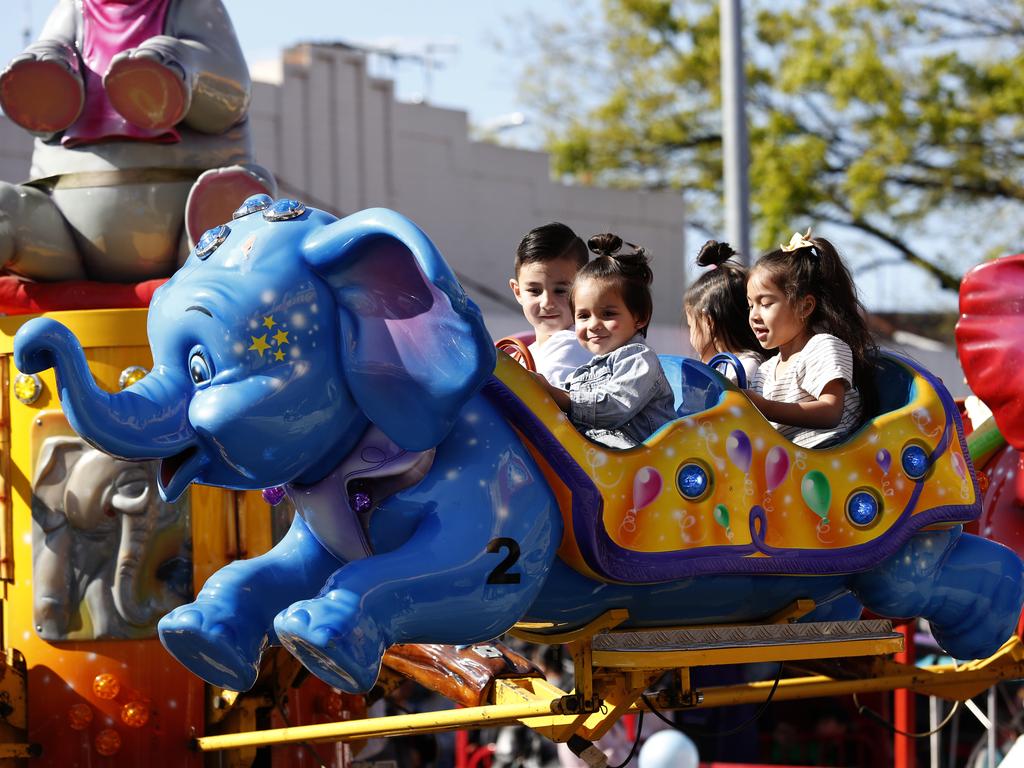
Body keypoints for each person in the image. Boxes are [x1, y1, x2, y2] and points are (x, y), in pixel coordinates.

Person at [533, 234, 677, 449]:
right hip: (604, 463)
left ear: (640, 317)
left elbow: (615, 406)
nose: (593, 325)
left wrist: (557, 395)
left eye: (608, 314)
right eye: (583, 316)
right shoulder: (583, 372)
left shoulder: (639, 359)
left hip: (640, 465)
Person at [745, 229, 878, 448]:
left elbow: (830, 412)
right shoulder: (765, 371)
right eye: (750, 305)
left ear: (804, 306)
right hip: (793, 470)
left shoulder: (822, 347)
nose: (754, 315)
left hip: (833, 464)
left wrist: (763, 406)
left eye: (766, 303)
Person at [509, 222, 593, 387]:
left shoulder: (574, 345)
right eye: (535, 291)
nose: (547, 302)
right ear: (518, 292)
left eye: (561, 290)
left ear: (585, 290)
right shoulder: (523, 354)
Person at [683, 240, 766, 385]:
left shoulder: (743, 368)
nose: (691, 335)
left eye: (691, 326)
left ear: (709, 321)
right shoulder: (723, 366)